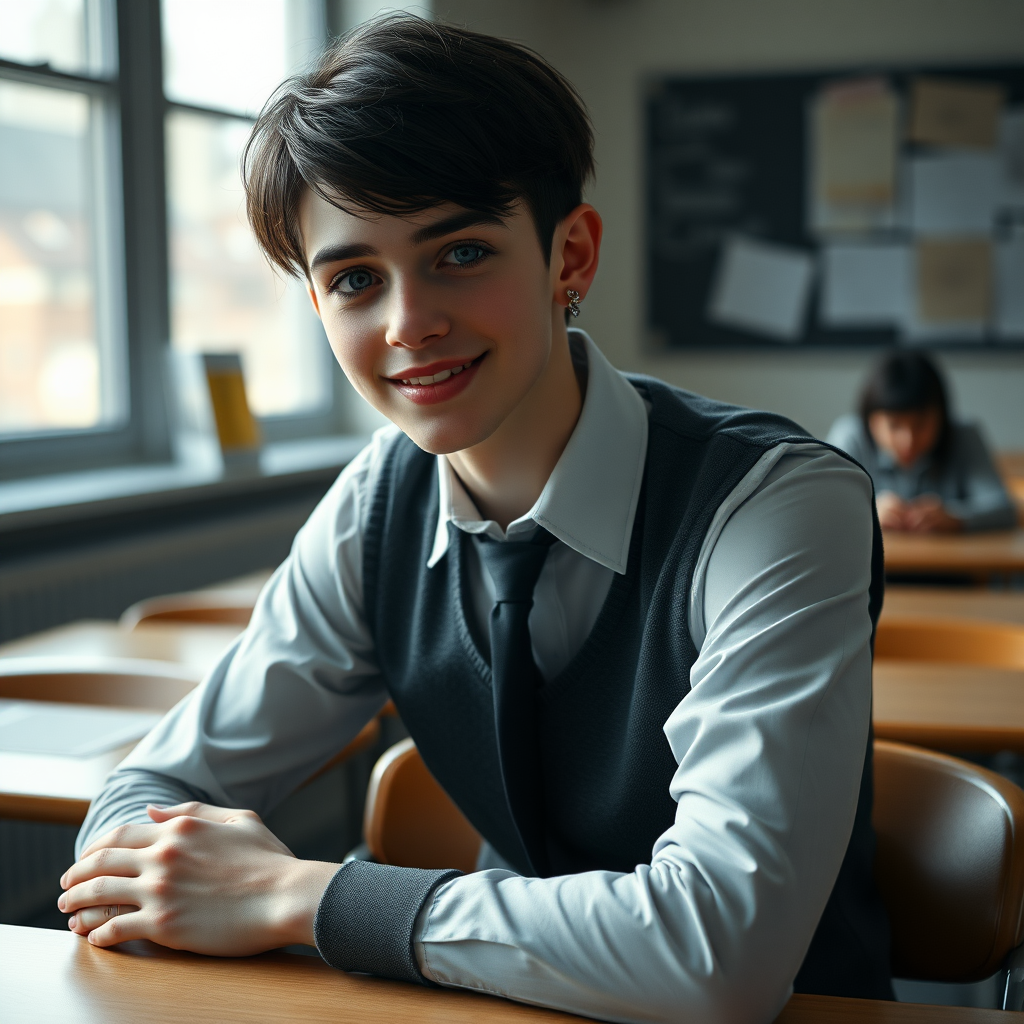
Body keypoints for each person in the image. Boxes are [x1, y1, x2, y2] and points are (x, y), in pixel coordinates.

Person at [58, 16, 891, 1023]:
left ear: (568, 256)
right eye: (355, 278)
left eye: (458, 251)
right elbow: (159, 775)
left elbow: (721, 956)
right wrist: (141, 866)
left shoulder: (778, 504)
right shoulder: (379, 501)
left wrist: (294, 893)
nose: (408, 321)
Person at [828, 352, 1015, 534]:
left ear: (942, 417)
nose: (908, 440)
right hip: (870, 566)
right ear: (871, 421)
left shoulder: (963, 436)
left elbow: (1003, 508)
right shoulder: (851, 436)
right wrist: (867, 512)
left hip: (947, 564)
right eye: (894, 426)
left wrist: (955, 517)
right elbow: (819, 505)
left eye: (920, 424)